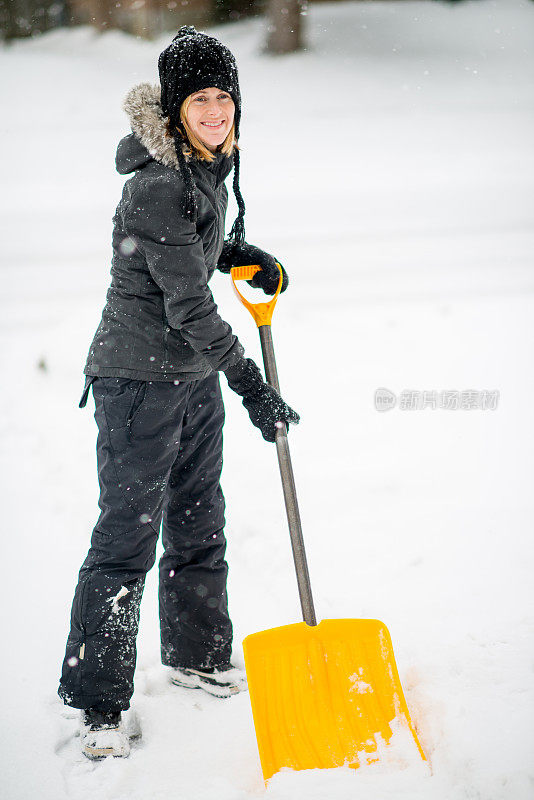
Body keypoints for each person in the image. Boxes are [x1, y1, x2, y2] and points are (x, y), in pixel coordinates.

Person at [58, 26, 299, 760]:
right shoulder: (158, 185)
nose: (217, 110)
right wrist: (251, 381)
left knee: (199, 519)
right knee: (126, 538)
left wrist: (234, 250)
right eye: (201, 99)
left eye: (225, 96)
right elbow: (187, 305)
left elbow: (194, 249)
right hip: (137, 383)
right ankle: (99, 702)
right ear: (174, 107)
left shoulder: (204, 168)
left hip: (190, 379)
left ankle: (197, 656)